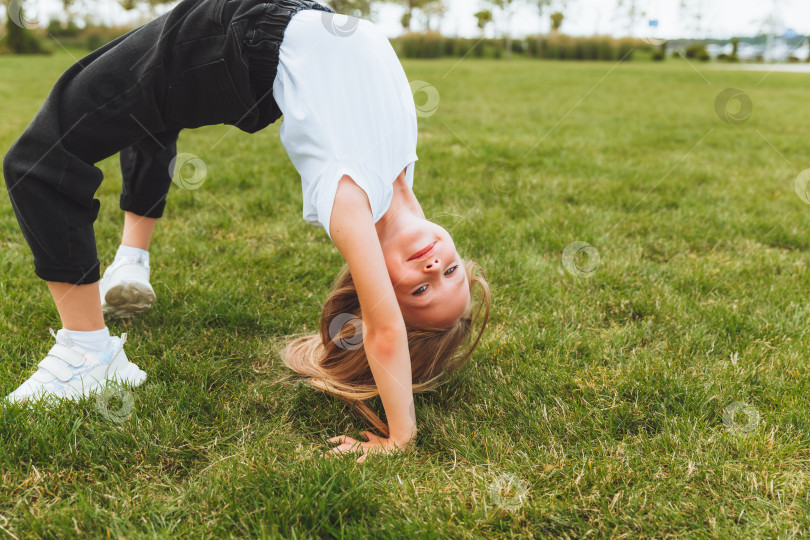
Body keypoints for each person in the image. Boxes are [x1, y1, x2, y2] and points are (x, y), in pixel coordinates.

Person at [2, 0, 490, 461]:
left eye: (422, 288)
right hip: (273, 19)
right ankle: (131, 259)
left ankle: (88, 354)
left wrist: (402, 436)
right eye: (451, 271)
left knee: (39, 160)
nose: (434, 265)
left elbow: (386, 333)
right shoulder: (400, 172)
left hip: (234, 40)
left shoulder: (350, 203)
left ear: (379, 294)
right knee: (149, 111)